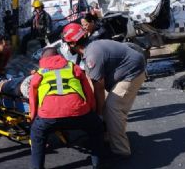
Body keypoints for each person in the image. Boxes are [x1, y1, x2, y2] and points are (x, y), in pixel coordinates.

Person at [62, 23, 146, 158]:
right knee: (106, 103)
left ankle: (121, 151)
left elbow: (99, 87)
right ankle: (107, 137)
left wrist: (99, 113)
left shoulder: (92, 55)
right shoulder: (91, 47)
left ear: (72, 44)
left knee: (113, 107)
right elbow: (92, 79)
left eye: (67, 43)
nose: (66, 46)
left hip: (133, 72)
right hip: (125, 68)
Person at [29, 47, 104, 169]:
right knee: (96, 128)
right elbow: (88, 92)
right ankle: (97, 163)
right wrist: (92, 110)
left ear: (43, 59)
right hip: (79, 112)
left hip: (48, 116)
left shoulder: (40, 73)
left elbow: (33, 98)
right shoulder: (73, 68)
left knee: (37, 134)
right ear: (58, 56)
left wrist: (33, 118)